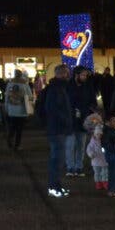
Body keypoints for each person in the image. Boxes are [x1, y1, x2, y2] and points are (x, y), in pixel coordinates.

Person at [43, 64, 73, 198]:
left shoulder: (58, 87)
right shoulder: (56, 89)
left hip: (57, 128)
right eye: (66, 73)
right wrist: (66, 120)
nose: (68, 76)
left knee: (58, 159)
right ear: (61, 74)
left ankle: (56, 186)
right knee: (57, 159)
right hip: (57, 129)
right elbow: (53, 109)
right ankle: (54, 187)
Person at [65, 66, 94, 177]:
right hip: (70, 119)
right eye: (83, 75)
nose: (85, 77)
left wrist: (90, 110)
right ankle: (70, 167)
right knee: (70, 144)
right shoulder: (68, 86)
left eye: (85, 75)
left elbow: (92, 101)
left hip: (83, 120)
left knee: (81, 145)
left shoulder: (87, 86)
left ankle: (79, 167)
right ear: (76, 75)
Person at [4, 71, 32, 151]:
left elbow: (6, 96)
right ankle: (17, 145)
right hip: (22, 109)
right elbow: (29, 96)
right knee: (20, 129)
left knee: (12, 126)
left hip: (11, 109)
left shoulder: (10, 83)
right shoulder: (25, 84)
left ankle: (10, 138)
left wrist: (6, 107)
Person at [86, 126, 109, 191]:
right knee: (97, 173)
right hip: (96, 161)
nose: (99, 135)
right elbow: (89, 149)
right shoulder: (92, 143)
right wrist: (91, 154)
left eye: (100, 134)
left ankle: (105, 183)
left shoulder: (104, 141)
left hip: (104, 161)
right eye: (97, 134)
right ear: (94, 134)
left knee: (105, 173)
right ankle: (98, 183)